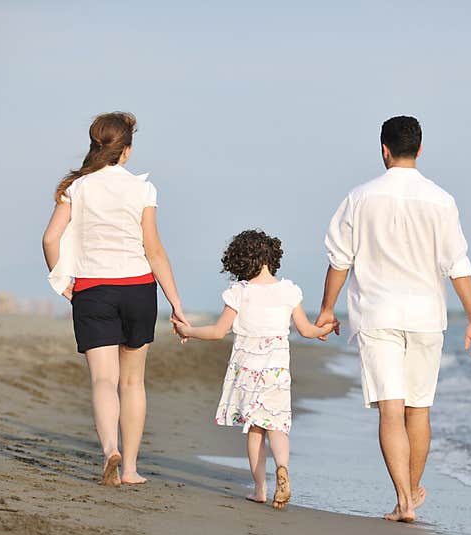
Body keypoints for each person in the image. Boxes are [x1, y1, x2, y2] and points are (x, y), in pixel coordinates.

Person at [317, 115, 471, 523]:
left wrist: (326, 309)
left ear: (384, 150)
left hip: (377, 316)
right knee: (419, 410)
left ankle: (405, 502)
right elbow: (456, 264)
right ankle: (410, 493)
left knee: (390, 411)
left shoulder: (359, 198)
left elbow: (340, 260)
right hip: (427, 316)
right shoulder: (441, 200)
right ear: (421, 149)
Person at [42, 112, 189, 487]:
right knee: (133, 383)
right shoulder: (143, 190)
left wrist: (63, 283)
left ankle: (110, 451)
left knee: (103, 381)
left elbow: (50, 240)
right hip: (138, 289)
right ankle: (131, 469)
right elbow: (153, 250)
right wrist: (176, 304)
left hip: (93, 291)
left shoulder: (77, 188)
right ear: (126, 151)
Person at [172, 230, 336, 509]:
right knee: (277, 425)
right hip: (276, 372)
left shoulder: (240, 293)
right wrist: (328, 327)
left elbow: (217, 331)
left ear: (239, 261)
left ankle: (260, 488)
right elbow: (307, 330)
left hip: (247, 371)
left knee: (255, 430)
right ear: (272, 258)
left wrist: (188, 330)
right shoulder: (288, 291)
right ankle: (282, 468)